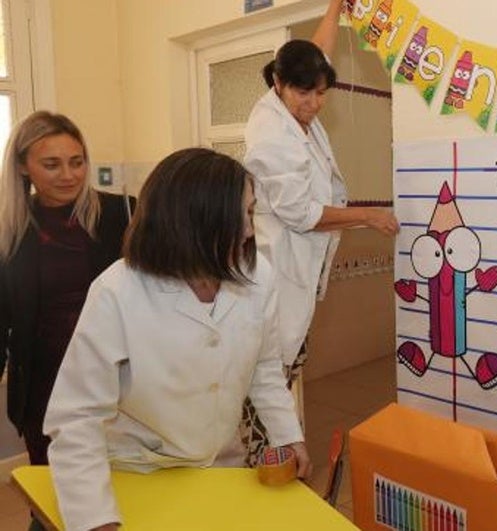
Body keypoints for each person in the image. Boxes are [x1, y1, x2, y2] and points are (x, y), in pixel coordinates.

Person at [43, 147, 310, 531]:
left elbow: (265, 367)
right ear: (196, 223)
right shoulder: (118, 291)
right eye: (241, 217)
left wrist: (287, 435)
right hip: (141, 470)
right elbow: (77, 417)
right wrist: (95, 520)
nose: (251, 231)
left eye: (252, 213)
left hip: (221, 464)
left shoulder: (257, 275)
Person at [242, 0, 400, 465]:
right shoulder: (271, 135)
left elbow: (319, 51)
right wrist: (367, 217)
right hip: (281, 272)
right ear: (278, 83)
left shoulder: (296, 102)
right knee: (269, 376)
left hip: (300, 273)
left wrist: (335, 6)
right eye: (303, 94)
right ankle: (262, 462)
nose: (312, 104)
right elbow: (302, 214)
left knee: (284, 370)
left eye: (320, 94)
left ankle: (276, 456)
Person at [0, 110, 135, 468]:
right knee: (52, 497)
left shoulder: (121, 214)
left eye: (77, 162)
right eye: (52, 164)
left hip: (115, 383)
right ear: (23, 166)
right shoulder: (8, 233)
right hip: (43, 387)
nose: (69, 175)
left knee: (120, 494)